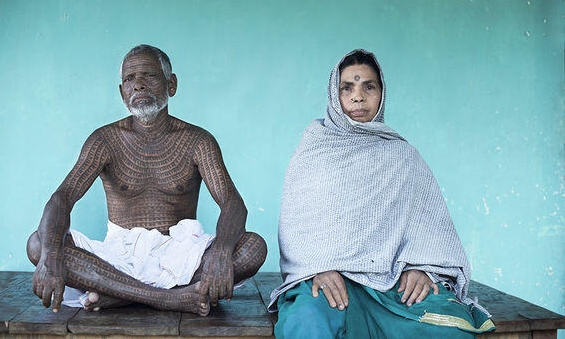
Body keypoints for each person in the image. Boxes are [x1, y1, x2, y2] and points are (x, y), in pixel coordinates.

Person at [268, 49, 495, 338]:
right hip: (328, 282)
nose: (358, 97)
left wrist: (422, 268)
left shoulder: (402, 155)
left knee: (448, 327)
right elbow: (296, 228)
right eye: (347, 88)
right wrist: (318, 269)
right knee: (309, 323)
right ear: (334, 95)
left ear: (381, 93)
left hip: (389, 285)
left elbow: (430, 228)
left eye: (369, 87)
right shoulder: (314, 148)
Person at [27, 44, 267, 316]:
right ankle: (169, 298)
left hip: (181, 255)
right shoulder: (104, 139)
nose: (138, 85)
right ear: (122, 93)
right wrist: (51, 254)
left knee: (253, 248)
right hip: (116, 258)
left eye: (149, 76)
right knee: (38, 245)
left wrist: (222, 250)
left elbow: (232, 203)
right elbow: (63, 197)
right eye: (129, 79)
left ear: (171, 84)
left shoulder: (198, 140)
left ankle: (120, 295)